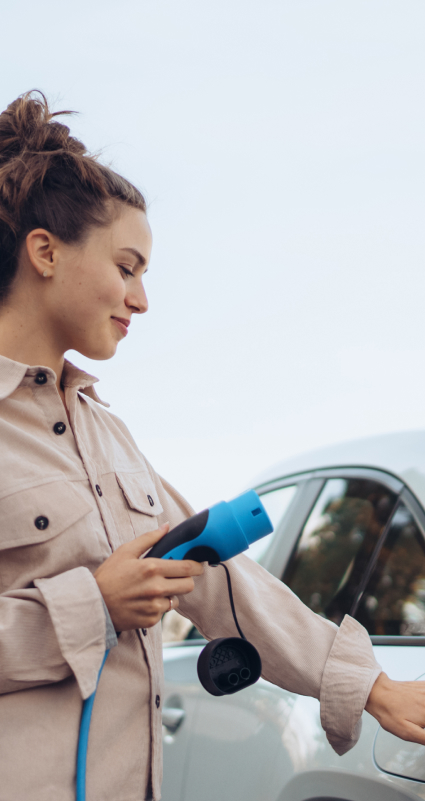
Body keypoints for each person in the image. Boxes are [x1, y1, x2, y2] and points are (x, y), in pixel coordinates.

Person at [0, 90, 424, 801]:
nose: (141, 300)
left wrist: (373, 687)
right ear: (45, 251)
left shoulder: (110, 437)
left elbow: (225, 582)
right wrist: (90, 605)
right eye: (127, 266)